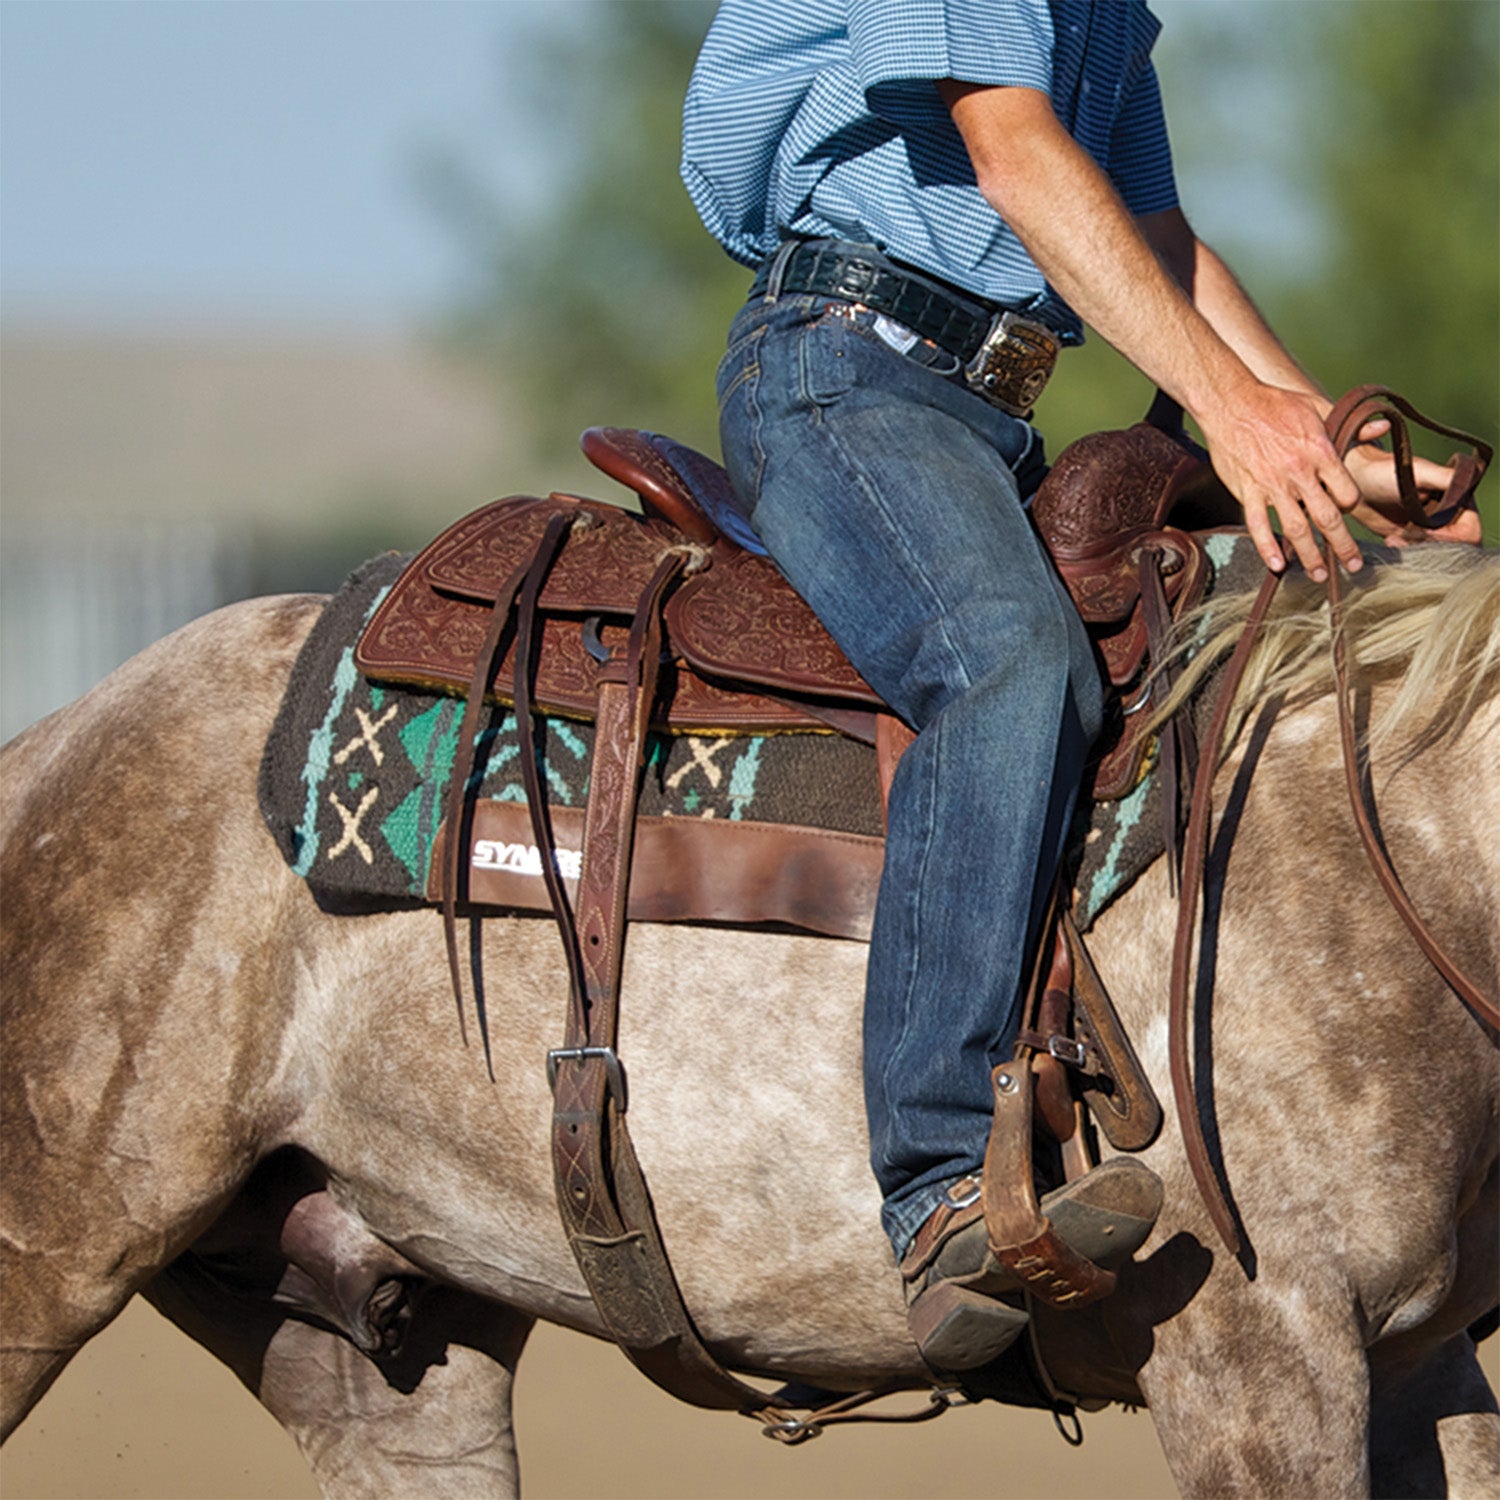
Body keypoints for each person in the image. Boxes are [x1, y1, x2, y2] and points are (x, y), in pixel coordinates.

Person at [680, 0, 1476, 1372]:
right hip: (842, 369)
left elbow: (1158, 240)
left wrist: (1324, 445)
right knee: (1008, 660)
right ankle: (938, 1185)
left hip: (987, 406)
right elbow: (1011, 146)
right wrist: (1228, 414)